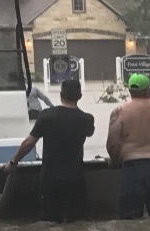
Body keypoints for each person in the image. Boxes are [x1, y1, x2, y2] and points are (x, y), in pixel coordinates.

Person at [5, 76, 96, 222]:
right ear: (79, 96)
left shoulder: (47, 116)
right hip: (75, 179)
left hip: (50, 178)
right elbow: (90, 133)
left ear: (61, 95)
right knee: (78, 225)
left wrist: (13, 162)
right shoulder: (87, 119)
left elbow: (29, 143)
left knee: (50, 224)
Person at [106, 72, 150, 218]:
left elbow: (113, 143)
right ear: (148, 90)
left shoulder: (120, 111)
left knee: (130, 217)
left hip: (132, 166)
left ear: (130, 90)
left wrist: (115, 160)